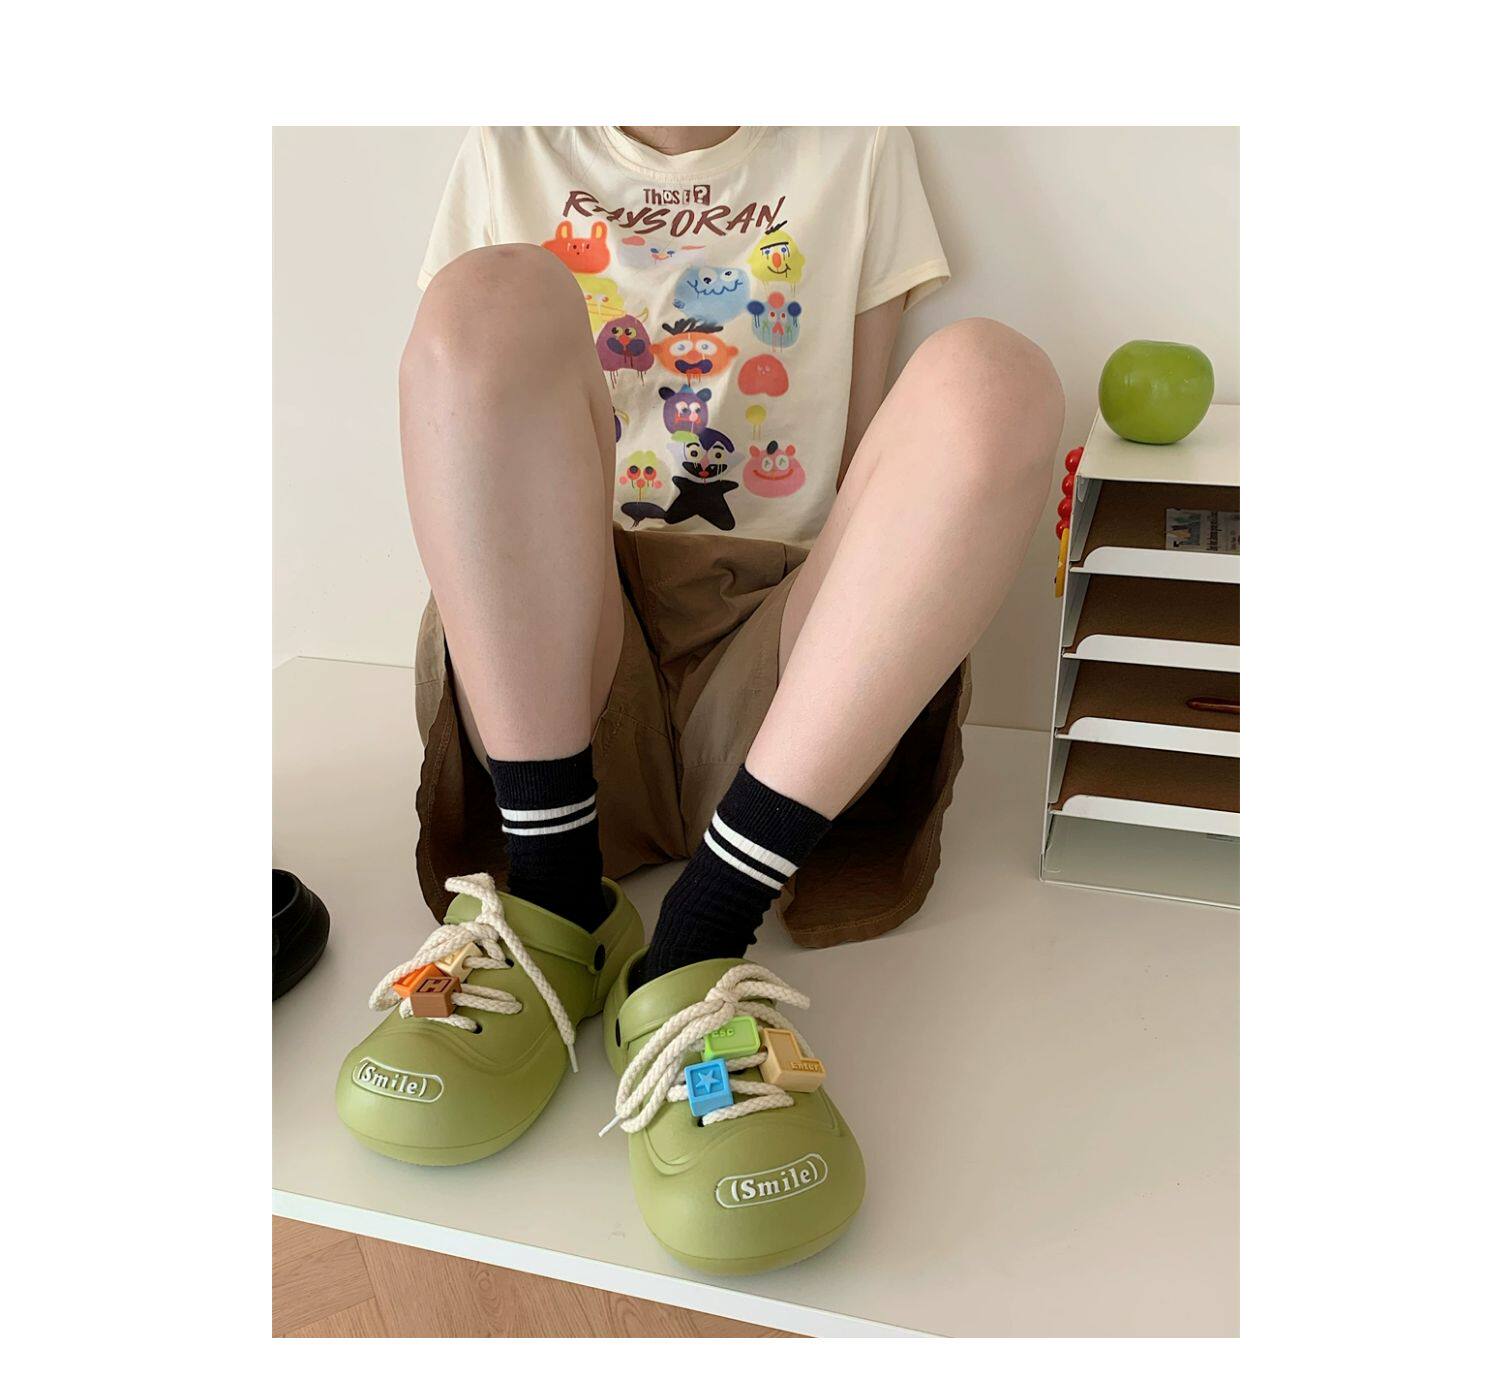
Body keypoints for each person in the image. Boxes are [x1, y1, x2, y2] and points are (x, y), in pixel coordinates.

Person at [337, 127, 1064, 1274]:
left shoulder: (854, 142)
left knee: (994, 377)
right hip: (567, 663)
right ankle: (560, 905)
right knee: (488, 298)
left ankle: (699, 937)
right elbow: (478, 427)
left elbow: (867, 458)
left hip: (786, 686)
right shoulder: (512, 143)